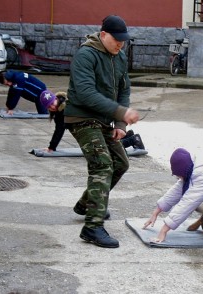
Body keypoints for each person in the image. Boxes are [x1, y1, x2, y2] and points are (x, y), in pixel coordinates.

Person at [64, 15, 140, 248]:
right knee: (102, 164)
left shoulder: (120, 56)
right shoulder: (86, 55)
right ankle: (92, 227)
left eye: (124, 41)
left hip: (105, 120)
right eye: (117, 40)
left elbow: (124, 90)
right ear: (103, 35)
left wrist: (120, 125)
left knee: (121, 163)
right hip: (81, 118)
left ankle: (87, 203)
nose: (120, 44)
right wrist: (119, 112)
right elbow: (86, 93)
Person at [40, 90, 145, 153]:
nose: (52, 106)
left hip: (92, 123)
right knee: (105, 143)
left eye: (52, 102)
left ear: (56, 98)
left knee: (103, 149)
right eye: (49, 106)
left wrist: (51, 147)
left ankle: (133, 140)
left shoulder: (63, 111)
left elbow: (59, 130)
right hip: (95, 121)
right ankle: (129, 136)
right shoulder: (65, 102)